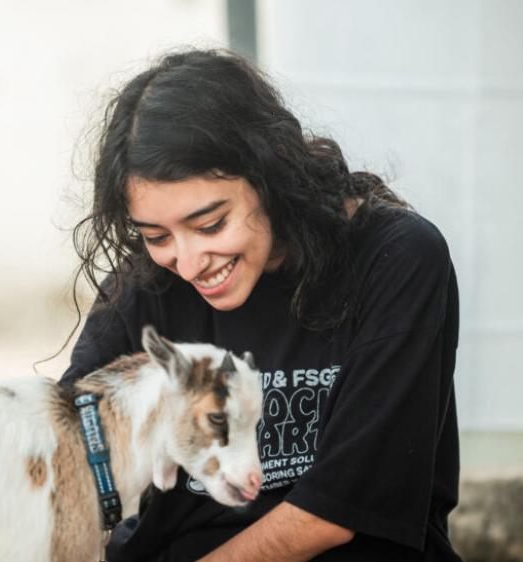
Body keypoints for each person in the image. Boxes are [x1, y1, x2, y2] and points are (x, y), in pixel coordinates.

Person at [60, 49, 462, 562]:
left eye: (210, 225)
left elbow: (336, 514)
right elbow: (71, 449)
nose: (187, 263)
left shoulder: (397, 259)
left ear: (270, 172)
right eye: (157, 235)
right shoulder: (149, 279)